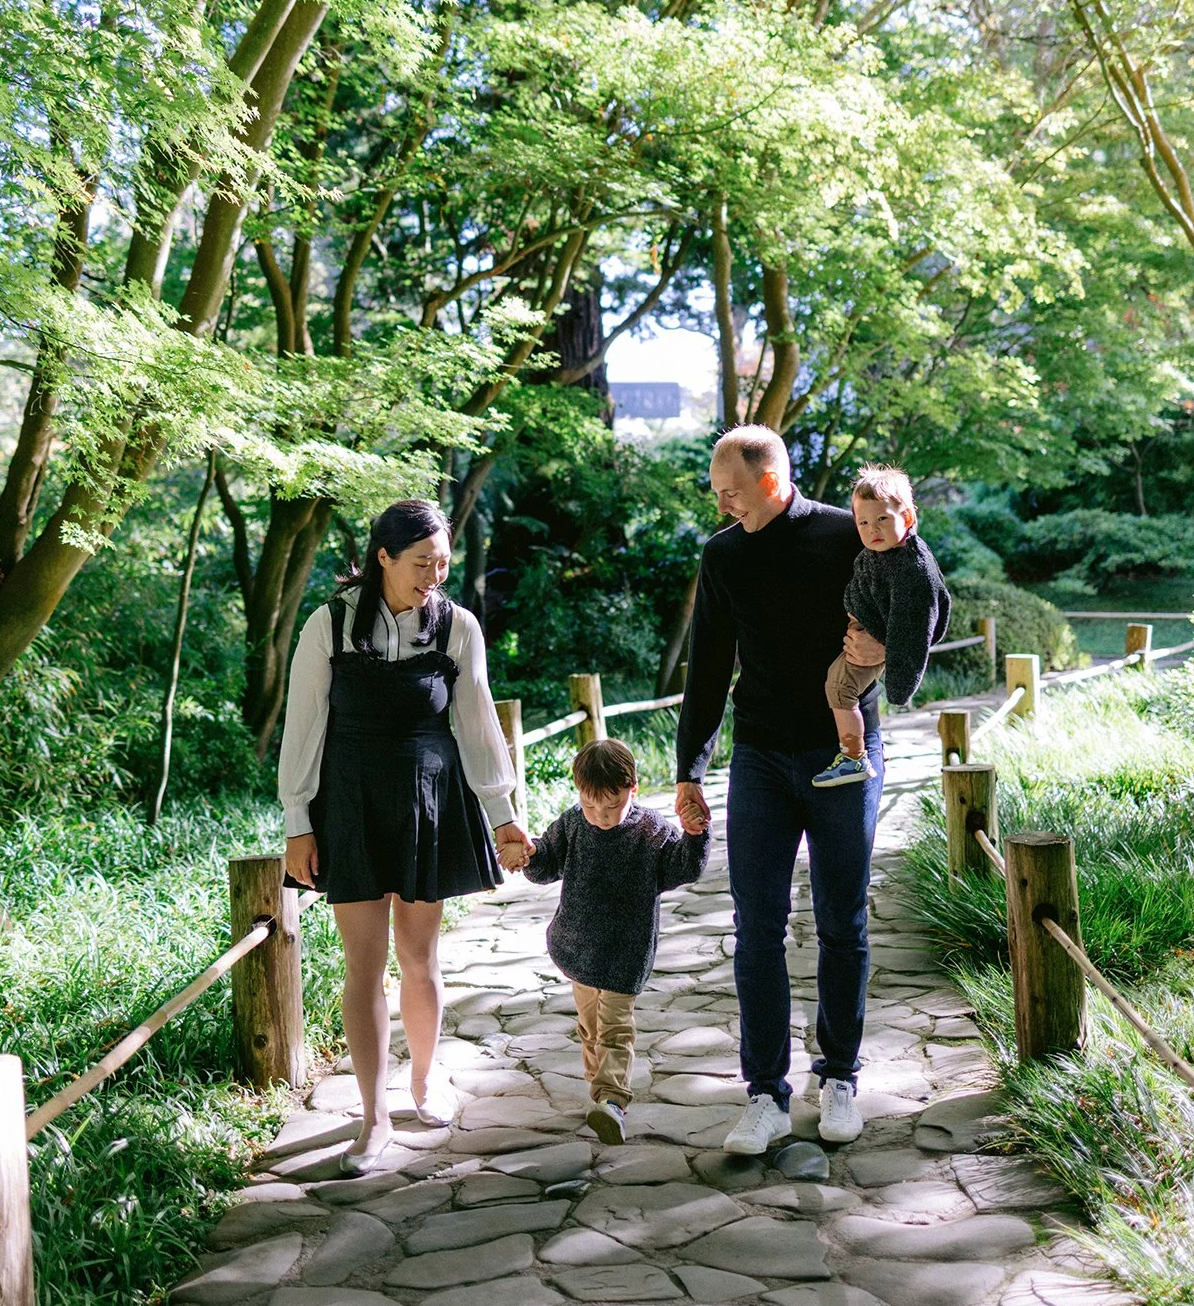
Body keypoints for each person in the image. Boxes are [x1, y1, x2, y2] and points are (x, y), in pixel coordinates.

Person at [280, 499, 533, 1173]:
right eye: (422, 562)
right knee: (362, 964)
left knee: (419, 959)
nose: (435, 575)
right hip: (351, 801)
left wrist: (502, 813)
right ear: (382, 559)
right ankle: (371, 1116)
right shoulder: (328, 624)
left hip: (430, 801)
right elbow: (303, 728)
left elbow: (478, 724)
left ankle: (423, 1082)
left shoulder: (457, 626)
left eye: (443, 562)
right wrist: (297, 823)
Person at [674, 424, 886, 1153]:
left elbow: (921, 598)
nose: (721, 501)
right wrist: (688, 771)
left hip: (843, 757)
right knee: (756, 927)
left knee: (841, 921)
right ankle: (764, 1092)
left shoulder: (845, 534)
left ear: (769, 477)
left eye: (729, 489)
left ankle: (839, 1078)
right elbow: (706, 667)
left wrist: (885, 652)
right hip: (760, 757)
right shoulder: (723, 553)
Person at [499, 737, 709, 1146]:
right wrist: (527, 855)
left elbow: (683, 867)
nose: (601, 815)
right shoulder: (574, 823)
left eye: (611, 806)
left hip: (624, 953)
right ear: (579, 794)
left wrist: (694, 835)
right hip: (578, 946)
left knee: (614, 1030)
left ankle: (612, 1100)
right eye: (592, 805)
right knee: (590, 1029)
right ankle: (600, 1091)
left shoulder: (650, 832)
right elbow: (545, 866)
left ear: (634, 789)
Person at [815, 464, 950, 789]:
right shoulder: (881, 552)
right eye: (863, 522)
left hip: (874, 641)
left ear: (908, 517)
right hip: (864, 628)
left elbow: (914, 626)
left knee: (839, 688)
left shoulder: (912, 571)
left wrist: (894, 661)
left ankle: (853, 757)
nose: (872, 529)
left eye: (882, 519)